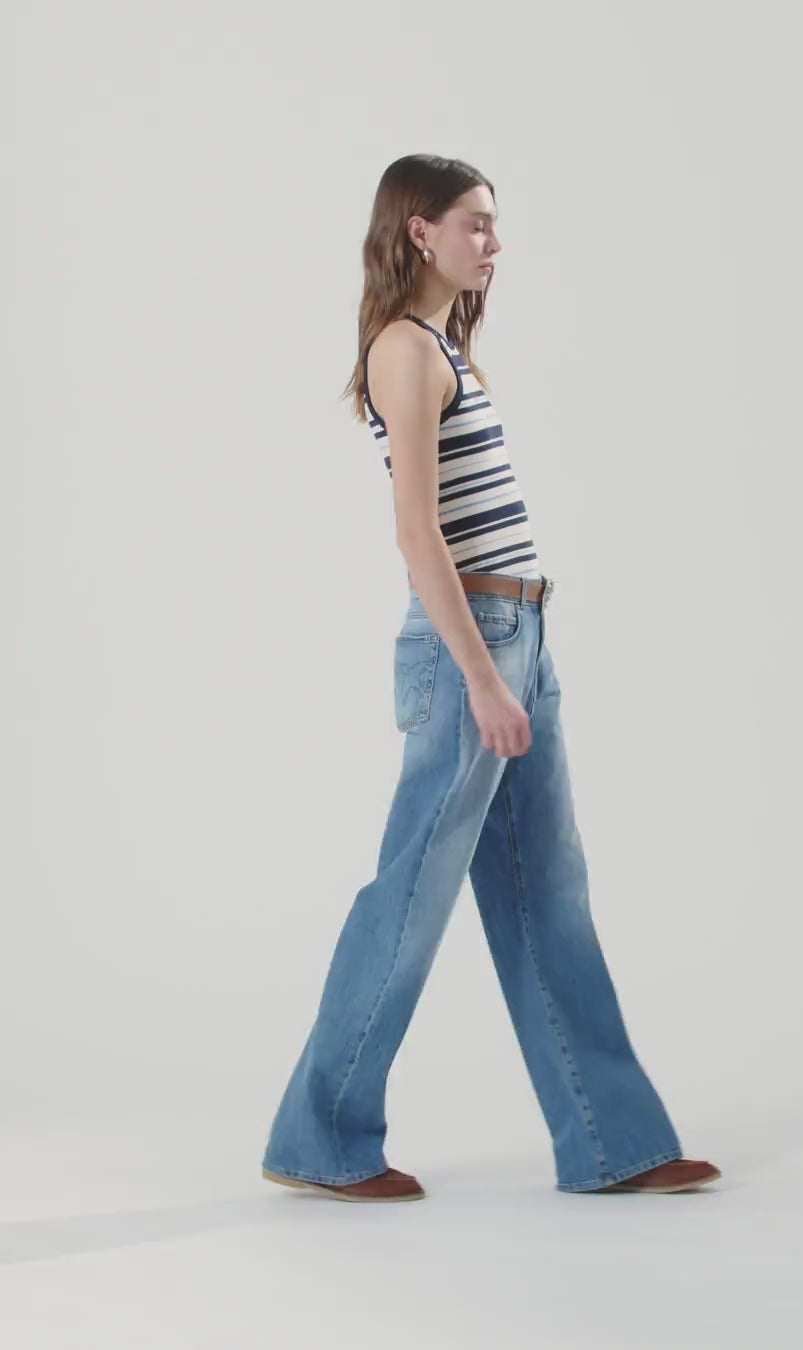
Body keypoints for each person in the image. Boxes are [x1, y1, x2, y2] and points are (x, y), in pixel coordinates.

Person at [260, 153, 720, 1202]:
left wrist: (513, 662)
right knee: (410, 895)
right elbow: (417, 534)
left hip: (520, 630)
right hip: (469, 638)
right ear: (419, 231)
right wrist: (482, 677)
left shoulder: (446, 348)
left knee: (548, 894)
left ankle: (611, 1142)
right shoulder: (403, 349)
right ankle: (318, 1138)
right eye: (475, 223)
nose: (493, 243)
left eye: (494, 224)